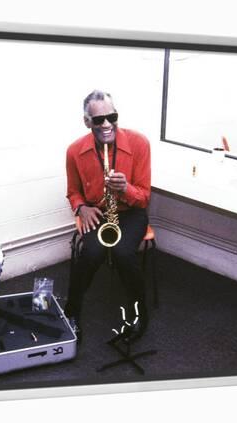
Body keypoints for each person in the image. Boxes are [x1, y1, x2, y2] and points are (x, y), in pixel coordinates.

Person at [65, 90, 151, 342]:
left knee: (124, 253)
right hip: (98, 212)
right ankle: (72, 313)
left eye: (111, 117)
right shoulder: (74, 151)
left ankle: (138, 314)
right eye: (98, 120)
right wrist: (82, 207)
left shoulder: (139, 143)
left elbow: (144, 197)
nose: (106, 125)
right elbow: (73, 191)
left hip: (130, 212)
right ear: (86, 122)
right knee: (90, 254)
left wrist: (125, 189)